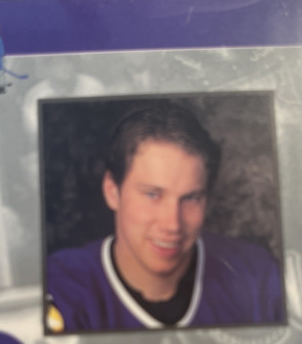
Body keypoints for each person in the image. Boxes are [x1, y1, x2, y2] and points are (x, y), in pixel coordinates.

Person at [46, 101, 283, 332]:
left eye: (190, 198)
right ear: (112, 191)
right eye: (152, 194)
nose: (172, 224)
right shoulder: (59, 287)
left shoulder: (256, 278)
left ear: (208, 200)